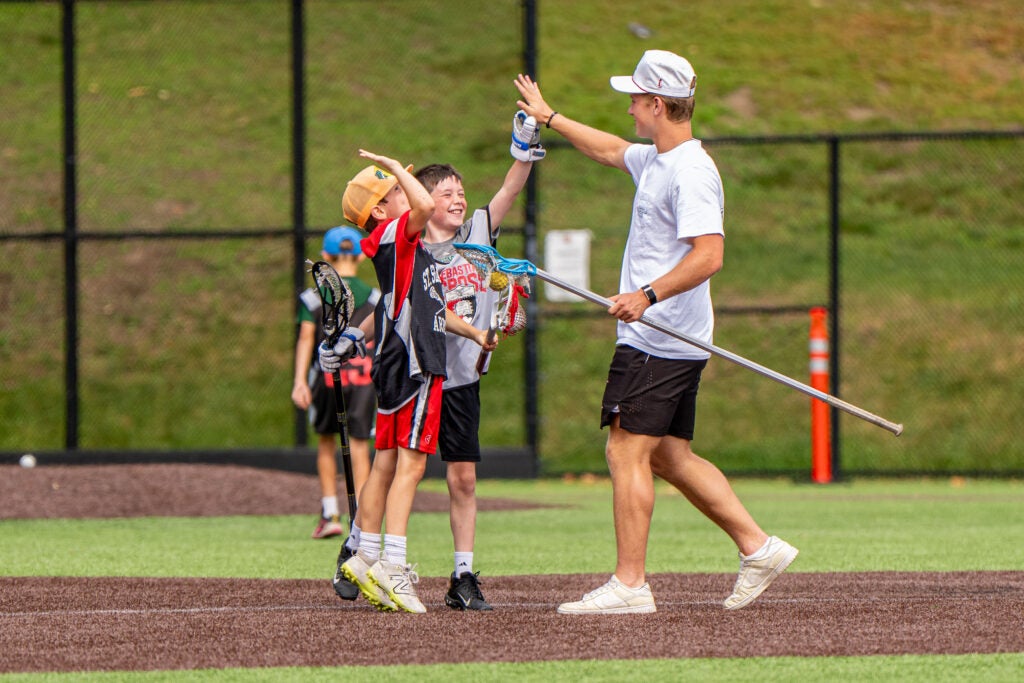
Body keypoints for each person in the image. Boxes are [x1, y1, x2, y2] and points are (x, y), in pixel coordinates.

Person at [514, 50, 798, 614]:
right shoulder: (658, 160)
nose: (629, 107)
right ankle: (759, 547)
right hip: (666, 336)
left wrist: (647, 296)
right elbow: (610, 149)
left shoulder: (691, 173)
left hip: (661, 338)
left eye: (638, 99)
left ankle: (630, 584)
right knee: (668, 456)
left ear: (660, 105)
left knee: (624, 450)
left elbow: (710, 255)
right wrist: (550, 117)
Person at [320, 150, 496, 614]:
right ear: (379, 209)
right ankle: (393, 569)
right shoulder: (397, 232)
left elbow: (428, 307)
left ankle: (366, 555)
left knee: (386, 464)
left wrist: (476, 331)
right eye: (395, 191)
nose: (407, 191)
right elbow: (423, 207)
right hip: (418, 361)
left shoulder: (402, 244)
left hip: (396, 358)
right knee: (412, 466)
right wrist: (397, 168)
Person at [415, 112, 545, 611]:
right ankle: (373, 554)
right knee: (397, 471)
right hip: (417, 378)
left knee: (462, 478)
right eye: (446, 193)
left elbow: (512, 187)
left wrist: (524, 145)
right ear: (425, 202)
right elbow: (416, 309)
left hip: (460, 382)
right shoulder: (414, 251)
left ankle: (462, 575)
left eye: (460, 193)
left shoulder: (476, 236)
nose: (458, 200)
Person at [291, 226, 378, 541]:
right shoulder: (374, 296)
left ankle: (330, 513)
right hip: (364, 377)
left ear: (326, 257)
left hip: (327, 377)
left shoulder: (312, 297)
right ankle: (366, 517)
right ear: (361, 255)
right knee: (359, 445)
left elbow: (305, 338)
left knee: (327, 442)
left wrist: (300, 380)